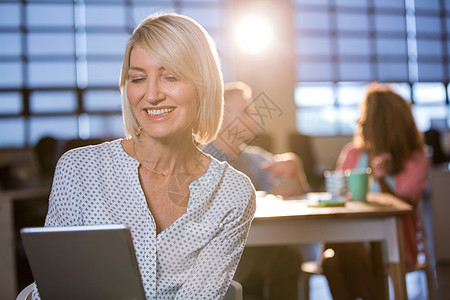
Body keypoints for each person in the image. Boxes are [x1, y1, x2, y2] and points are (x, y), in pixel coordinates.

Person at [31, 13, 256, 300]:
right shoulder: (78, 170)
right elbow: (51, 288)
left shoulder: (232, 193)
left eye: (170, 77)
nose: (151, 95)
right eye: (138, 78)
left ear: (204, 86)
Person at [203, 81, 310, 300]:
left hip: (261, 247)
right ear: (221, 116)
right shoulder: (201, 163)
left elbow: (297, 193)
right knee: (263, 262)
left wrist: (295, 167)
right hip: (220, 259)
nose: (255, 118)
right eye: (246, 112)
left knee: (288, 256)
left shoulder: (255, 159)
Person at [321, 83, 429, 300]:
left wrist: (382, 179)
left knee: (335, 257)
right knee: (334, 257)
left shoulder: (415, 159)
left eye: (366, 115)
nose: (360, 121)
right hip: (352, 241)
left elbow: (405, 207)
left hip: (393, 242)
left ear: (384, 123)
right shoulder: (352, 153)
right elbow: (339, 195)